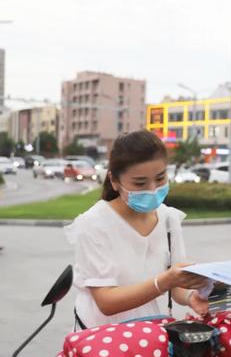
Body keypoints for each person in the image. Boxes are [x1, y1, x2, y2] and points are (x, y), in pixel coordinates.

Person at [65, 130, 210, 329]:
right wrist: (164, 282)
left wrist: (191, 296)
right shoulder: (93, 224)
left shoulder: (169, 219)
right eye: (140, 183)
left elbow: (176, 286)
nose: (152, 189)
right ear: (114, 181)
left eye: (160, 178)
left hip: (148, 335)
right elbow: (106, 302)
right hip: (100, 339)